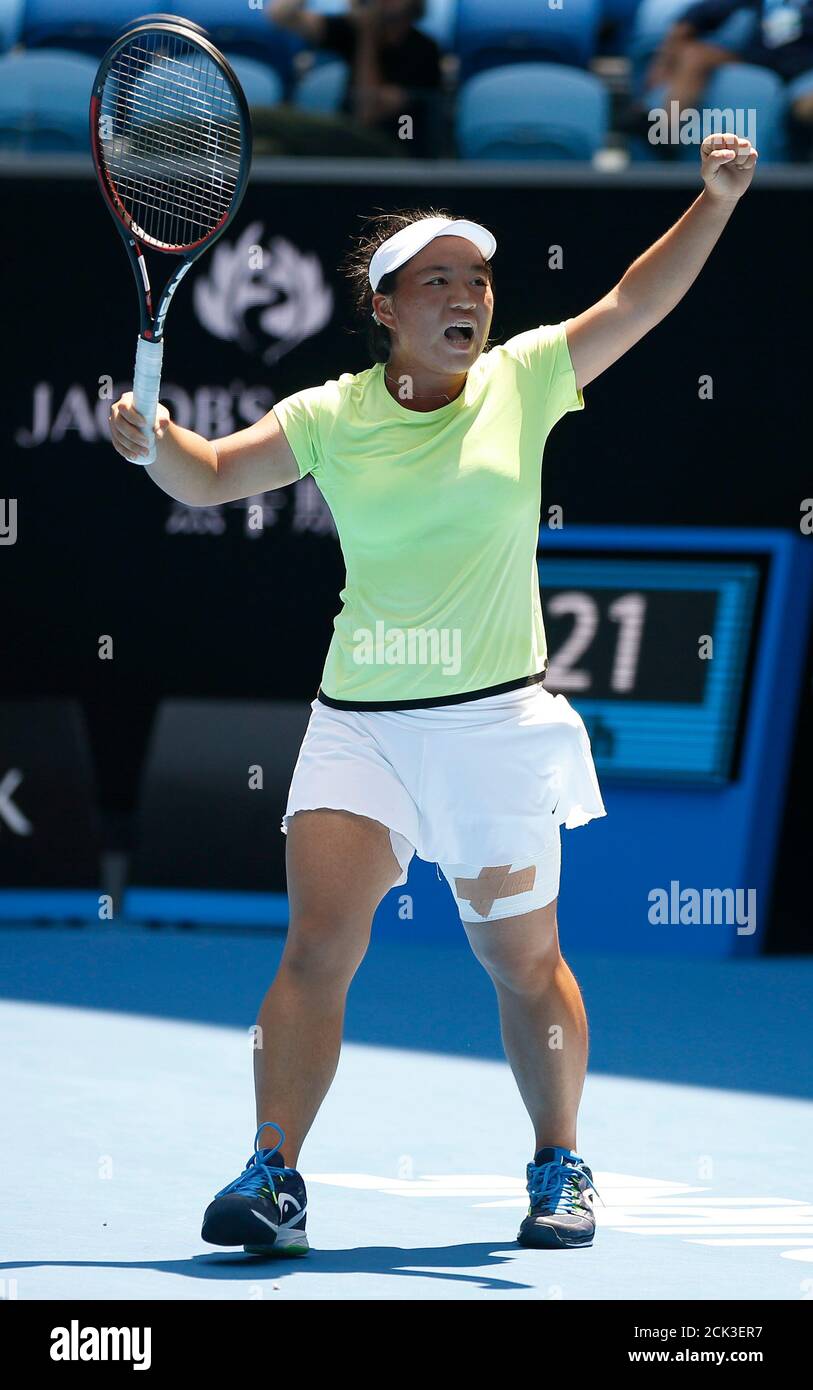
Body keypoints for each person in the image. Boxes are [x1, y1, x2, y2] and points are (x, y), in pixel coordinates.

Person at [108, 131, 758, 1257]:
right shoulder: (332, 414)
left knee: (521, 961)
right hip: (360, 729)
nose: (470, 296)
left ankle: (558, 1160)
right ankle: (274, 1175)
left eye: (480, 279)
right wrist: (148, 443)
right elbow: (208, 476)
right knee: (318, 947)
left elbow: (636, 303)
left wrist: (714, 202)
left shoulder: (527, 378)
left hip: (495, 728)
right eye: (441, 281)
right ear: (387, 305)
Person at [268, 0, 444, 157]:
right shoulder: (353, 27)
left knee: (273, 122)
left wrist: (367, 36)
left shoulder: (425, 50)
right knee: (265, 149)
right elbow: (281, 15)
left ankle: (250, 120)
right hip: (344, 144)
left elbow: (367, 114)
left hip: (393, 148)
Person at [642, 0, 813, 132]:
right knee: (695, 55)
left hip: (805, 73)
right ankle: (664, 133)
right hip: (758, 62)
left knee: (807, 105)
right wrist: (663, 63)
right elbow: (695, 18)